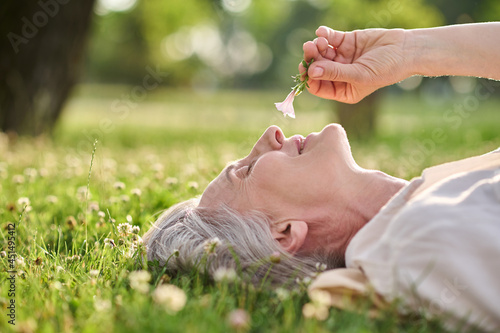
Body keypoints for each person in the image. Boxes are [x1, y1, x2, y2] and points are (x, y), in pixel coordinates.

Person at [144, 23, 500, 331]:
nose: (272, 134)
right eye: (248, 170)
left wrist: (408, 50)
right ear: (284, 234)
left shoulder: (434, 205)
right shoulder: (426, 239)